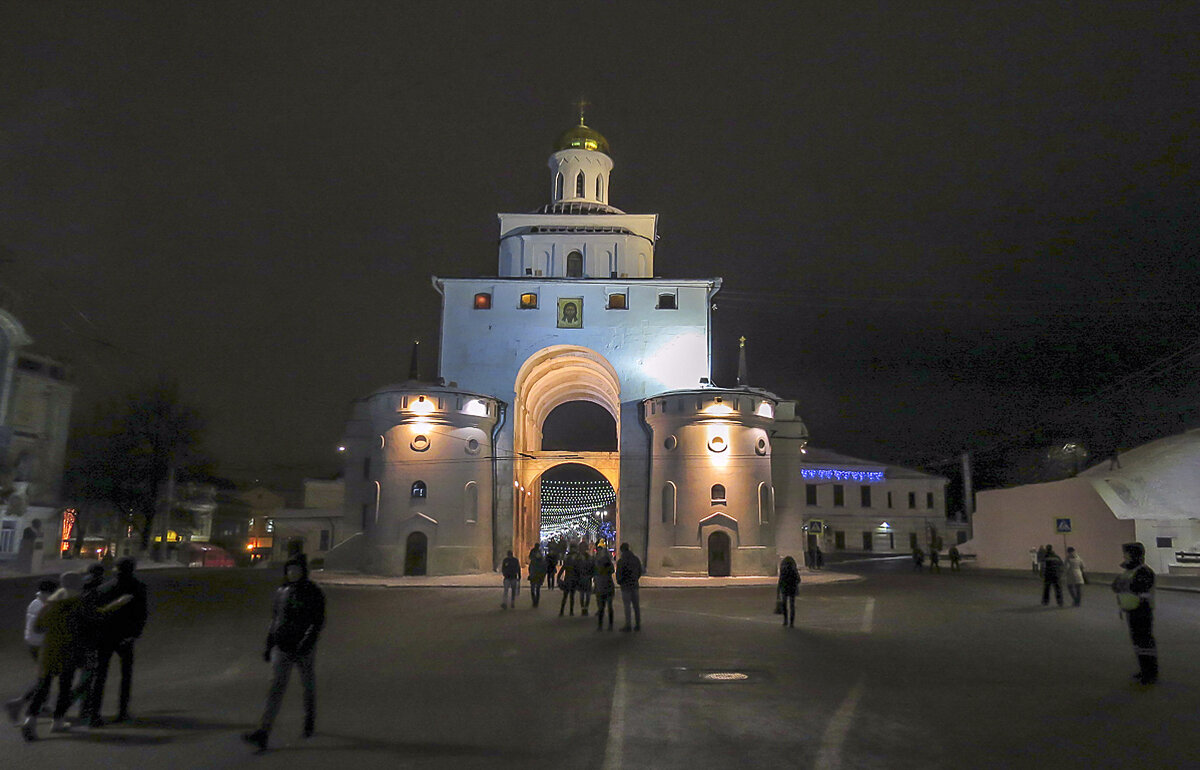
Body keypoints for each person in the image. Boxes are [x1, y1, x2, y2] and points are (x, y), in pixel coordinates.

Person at [20, 572, 131, 741]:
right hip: (70, 649)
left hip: (50, 649)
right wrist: (117, 604)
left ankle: (30, 720)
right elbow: (97, 616)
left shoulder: (49, 603)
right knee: (65, 686)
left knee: (43, 686)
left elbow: (38, 627)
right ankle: (57, 721)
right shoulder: (79, 602)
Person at [242, 556, 326, 752]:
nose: (292, 573)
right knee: (275, 689)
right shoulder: (282, 591)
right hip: (282, 647)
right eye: (290, 570)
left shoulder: (314, 592)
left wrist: (306, 643)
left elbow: (317, 622)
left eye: (296, 570)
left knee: (307, 685)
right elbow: (275, 620)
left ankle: (309, 719)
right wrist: (269, 644)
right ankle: (263, 732)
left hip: (303, 648)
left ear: (304, 571)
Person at [84, 557, 148, 725]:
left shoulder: (104, 588)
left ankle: (94, 714)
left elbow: (97, 613)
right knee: (126, 675)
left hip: (105, 636)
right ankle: (122, 711)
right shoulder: (138, 588)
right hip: (125, 637)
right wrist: (134, 634)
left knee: (100, 676)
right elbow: (141, 614)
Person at [5, 579, 58, 724]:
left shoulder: (35, 602)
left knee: (45, 676)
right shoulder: (45, 605)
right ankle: (18, 703)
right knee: (45, 678)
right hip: (41, 645)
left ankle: (42, 705)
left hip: (32, 643)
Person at [1112, 542, 1156, 684]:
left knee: (1145, 642)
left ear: (1134, 554)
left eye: (1126, 553)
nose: (1124, 556)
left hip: (1142, 610)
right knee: (1138, 642)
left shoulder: (1144, 571)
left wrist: (1123, 585)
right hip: (1132, 610)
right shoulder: (1129, 571)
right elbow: (1114, 586)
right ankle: (1144, 670)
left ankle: (1150, 673)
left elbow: (1136, 587)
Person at [616, 542, 642, 632]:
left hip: (625, 586)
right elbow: (640, 570)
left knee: (627, 606)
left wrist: (620, 581)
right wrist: (635, 578)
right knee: (636, 606)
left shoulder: (621, 561)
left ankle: (628, 624)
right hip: (634, 584)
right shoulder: (635, 559)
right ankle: (638, 624)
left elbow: (619, 574)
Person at [592, 546, 615, 631]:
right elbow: (612, 571)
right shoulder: (609, 564)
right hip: (608, 586)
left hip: (601, 586)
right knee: (609, 607)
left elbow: (595, 573)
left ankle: (600, 626)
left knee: (601, 607)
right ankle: (610, 625)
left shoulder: (598, 563)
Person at [777, 556, 801, 628]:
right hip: (792, 588)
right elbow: (798, 579)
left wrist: (778, 592)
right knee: (792, 605)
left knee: (784, 605)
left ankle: (785, 620)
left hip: (785, 588)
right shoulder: (794, 570)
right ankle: (791, 622)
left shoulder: (783, 570)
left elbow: (780, 581)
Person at [558, 546, 579, 616]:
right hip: (573, 579)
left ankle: (562, 610)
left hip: (568, 579)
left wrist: (558, 577)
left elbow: (563, 568)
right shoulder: (576, 560)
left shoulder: (568, 559)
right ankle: (571, 611)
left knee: (565, 596)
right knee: (571, 596)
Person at [577, 546, 594, 616]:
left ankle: (582, 608)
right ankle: (586, 608)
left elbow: (577, 569)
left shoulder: (579, 560)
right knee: (587, 594)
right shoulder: (590, 560)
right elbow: (593, 569)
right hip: (588, 578)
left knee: (582, 594)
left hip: (581, 578)